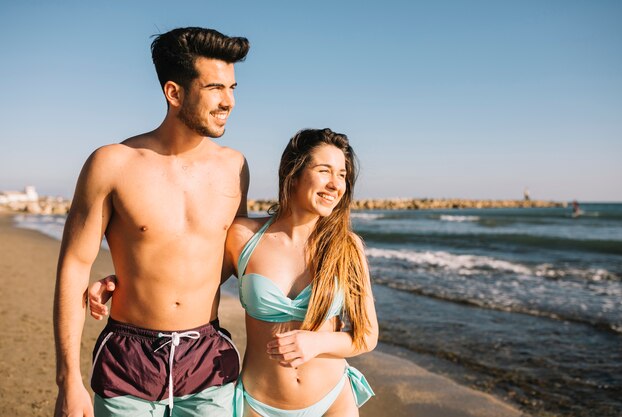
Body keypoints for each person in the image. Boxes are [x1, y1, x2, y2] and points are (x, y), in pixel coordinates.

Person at [91, 128, 379, 417]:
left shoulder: (346, 247)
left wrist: (317, 342)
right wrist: (118, 284)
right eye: (324, 171)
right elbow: (185, 278)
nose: (335, 184)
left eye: (342, 174)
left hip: (332, 400)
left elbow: (367, 335)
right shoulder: (243, 236)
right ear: (293, 172)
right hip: (258, 404)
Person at [53, 27, 250, 417]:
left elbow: (231, 256)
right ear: (174, 93)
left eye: (232, 87)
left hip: (207, 357)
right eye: (215, 88)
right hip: (129, 357)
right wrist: (68, 380)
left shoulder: (235, 167)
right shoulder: (112, 164)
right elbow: (73, 265)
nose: (228, 101)